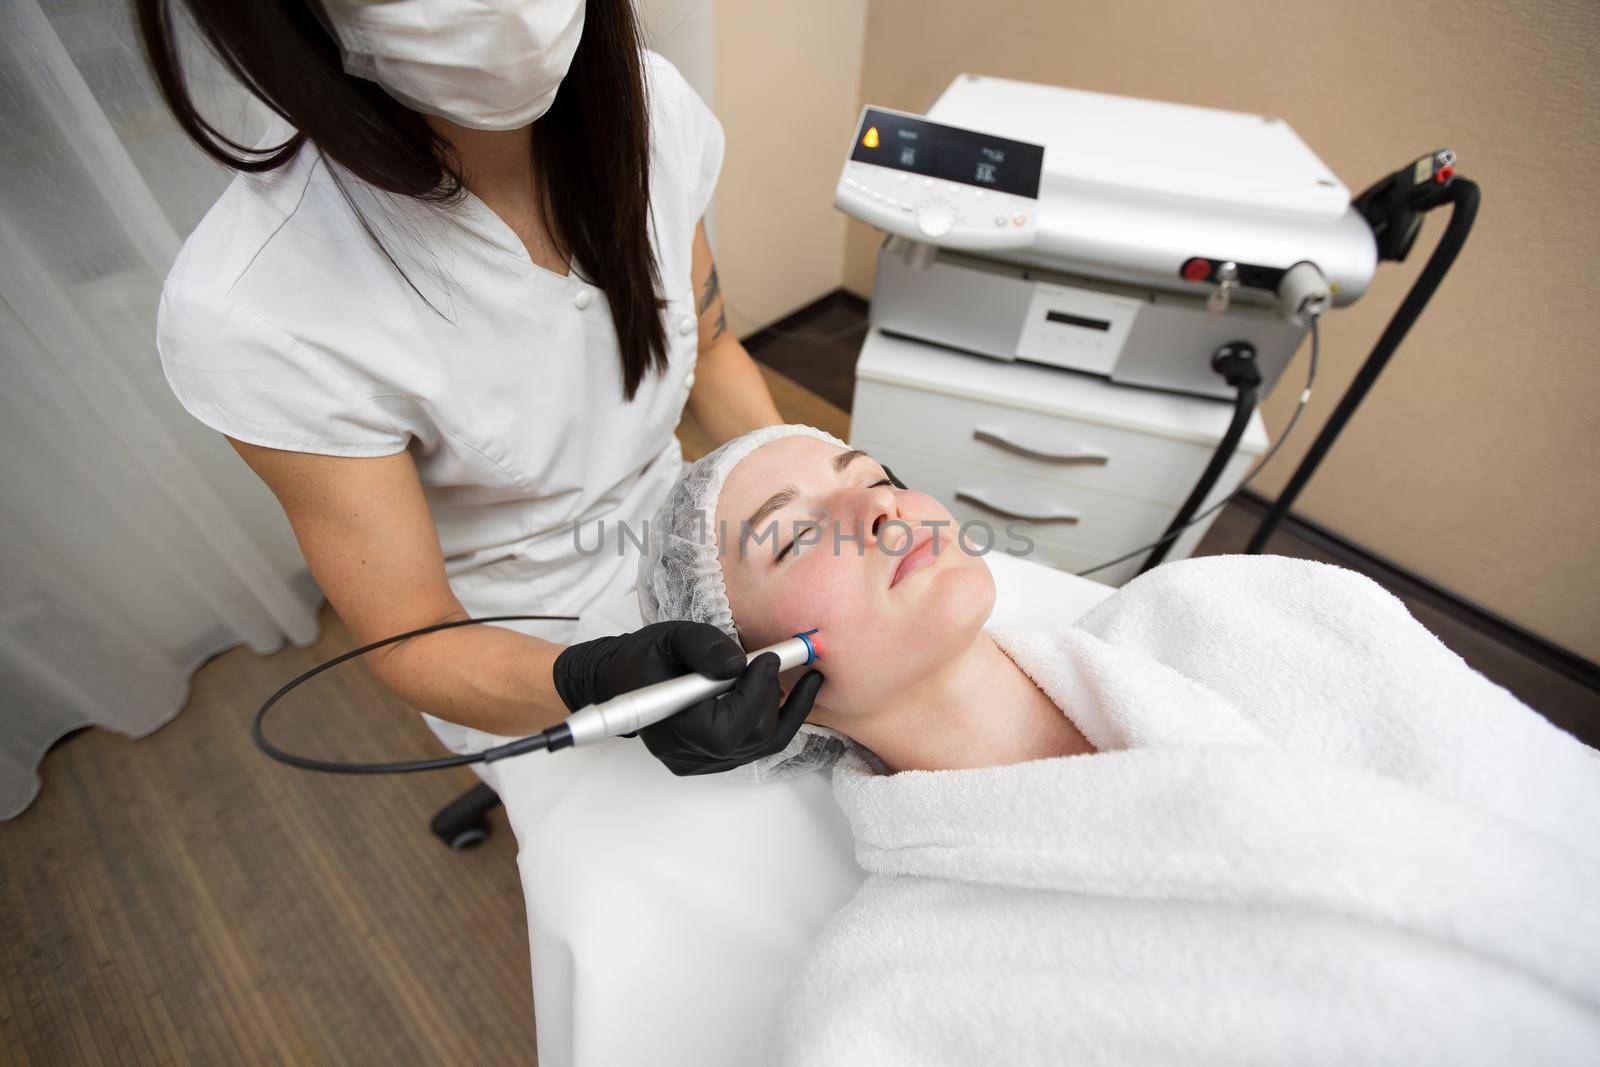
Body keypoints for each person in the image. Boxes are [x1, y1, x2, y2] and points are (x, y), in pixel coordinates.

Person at [636, 423, 1600, 1063]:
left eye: (876, 476)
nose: (881, 508)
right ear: (754, 681)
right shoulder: (880, 1005)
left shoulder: (1240, 607)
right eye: (795, 537)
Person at [138, 0, 822, 777]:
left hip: (688, 524)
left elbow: (715, 345)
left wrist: (817, 479)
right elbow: (416, 635)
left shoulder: (650, 108)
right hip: (514, 637)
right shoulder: (253, 304)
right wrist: (594, 680)